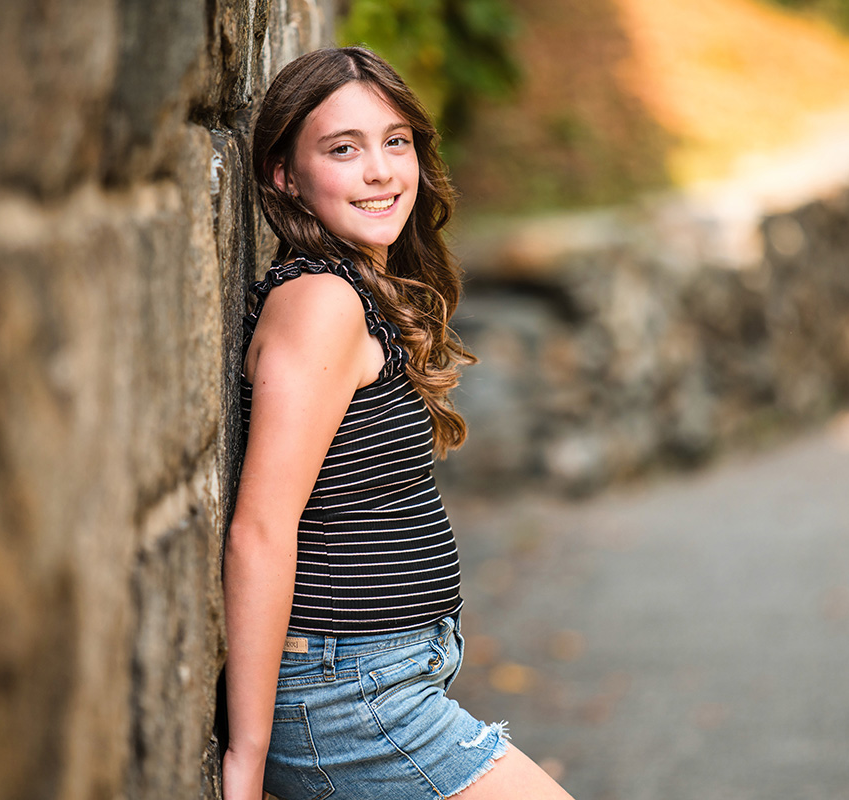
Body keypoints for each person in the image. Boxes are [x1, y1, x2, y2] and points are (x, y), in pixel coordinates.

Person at [222, 46, 574, 800]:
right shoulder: (322, 302)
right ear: (285, 175)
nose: (381, 170)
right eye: (343, 149)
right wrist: (246, 764)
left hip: (377, 682)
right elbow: (259, 527)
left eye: (396, 141)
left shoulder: (356, 288)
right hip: (347, 701)